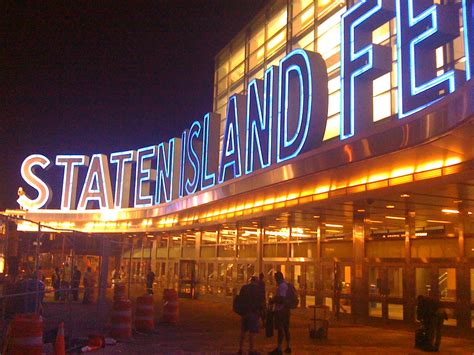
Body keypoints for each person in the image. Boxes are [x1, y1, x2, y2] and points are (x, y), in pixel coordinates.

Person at [237, 276, 263, 355]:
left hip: (244, 313)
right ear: (256, 281)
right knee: (252, 332)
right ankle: (251, 350)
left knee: (243, 332)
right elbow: (260, 302)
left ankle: (240, 348)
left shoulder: (244, 288)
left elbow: (240, 299)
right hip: (253, 313)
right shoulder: (258, 290)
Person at [269, 271, 291, 354]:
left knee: (280, 329)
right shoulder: (286, 285)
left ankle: (279, 348)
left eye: (275, 278)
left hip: (281, 310)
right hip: (286, 310)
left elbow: (281, 299)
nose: (275, 280)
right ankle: (288, 346)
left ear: (278, 278)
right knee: (286, 328)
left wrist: (273, 300)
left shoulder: (281, 286)